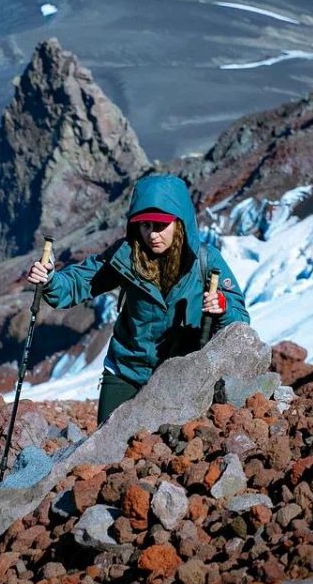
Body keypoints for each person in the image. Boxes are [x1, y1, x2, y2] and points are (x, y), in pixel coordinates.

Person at [25, 174, 250, 424]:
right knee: (106, 454)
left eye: (161, 225)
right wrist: (51, 280)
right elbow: (79, 282)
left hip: (183, 376)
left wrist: (222, 306)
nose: (153, 234)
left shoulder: (207, 262)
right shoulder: (125, 256)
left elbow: (239, 319)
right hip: (126, 372)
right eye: (146, 226)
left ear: (180, 223)